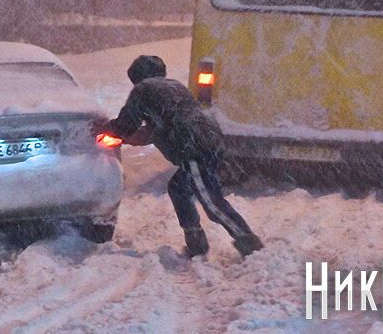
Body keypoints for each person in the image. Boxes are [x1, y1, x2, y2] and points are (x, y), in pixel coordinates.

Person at [96, 56, 264, 258]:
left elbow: (126, 124)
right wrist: (129, 138)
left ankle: (249, 243)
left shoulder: (143, 90)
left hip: (194, 147)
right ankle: (196, 243)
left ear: (136, 77)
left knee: (211, 202)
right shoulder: (173, 87)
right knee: (178, 188)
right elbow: (160, 127)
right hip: (207, 139)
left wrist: (104, 129)